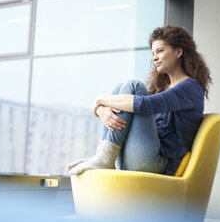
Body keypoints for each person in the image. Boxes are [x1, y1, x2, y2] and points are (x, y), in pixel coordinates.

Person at [67, 25, 212, 176]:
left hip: (161, 164)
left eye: (160, 51)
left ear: (178, 52)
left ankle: (105, 157)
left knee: (133, 86)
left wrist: (99, 99)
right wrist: (100, 109)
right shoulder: (160, 88)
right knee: (119, 89)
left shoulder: (190, 87)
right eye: (153, 53)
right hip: (134, 158)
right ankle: (103, 156)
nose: (154, 57)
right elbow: (128, 105)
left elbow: (144, 105)